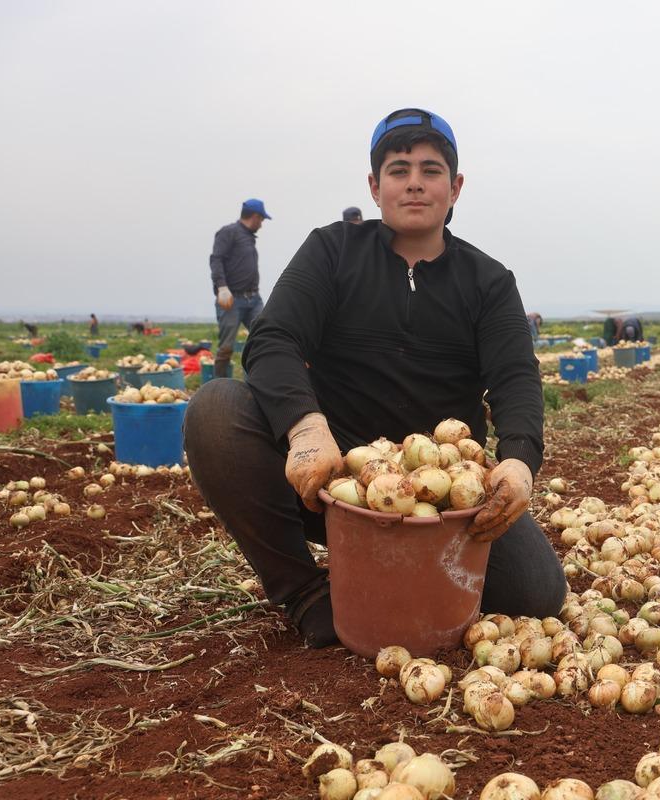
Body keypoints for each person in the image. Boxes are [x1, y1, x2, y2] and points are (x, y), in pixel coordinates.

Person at [183, 108, 566, 648]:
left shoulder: (489, 281)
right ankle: (305, 593)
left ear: (455, 188)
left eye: (431, 170)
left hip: (444, 494)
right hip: (331, 475)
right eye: (398, 169)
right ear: (374, 186)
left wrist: (520, 459)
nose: (414, 183)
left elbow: (516, 376)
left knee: (536, 593)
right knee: (215, 411)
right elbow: (273, 339)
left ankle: (406, 569)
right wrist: (305, 429)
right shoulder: (332, 250)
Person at [209, 198, 270, 378]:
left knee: (265, 337)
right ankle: (219, 387)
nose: (262, 224)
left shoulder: (249, 237)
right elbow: (216, 259)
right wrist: (222, 287)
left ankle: (254, 383)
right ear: (255, 216)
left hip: (254, 299)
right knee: (226, 347)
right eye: (262, 219)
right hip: (232, 300)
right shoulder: (229, 232)